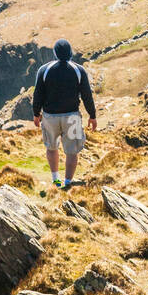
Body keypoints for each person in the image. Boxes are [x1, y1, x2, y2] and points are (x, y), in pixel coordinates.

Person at [32, 39, 97, 188]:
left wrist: (36, 113)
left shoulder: (44, 70)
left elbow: (38, 94)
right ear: (70, 53)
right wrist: (92, 116)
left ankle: (56, 180)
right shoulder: (78, 70)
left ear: (54, 53)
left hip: (49, 117)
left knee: (52, 147)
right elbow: (87, 95)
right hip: (72, 116)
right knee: (72, 151)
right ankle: (68, 182)